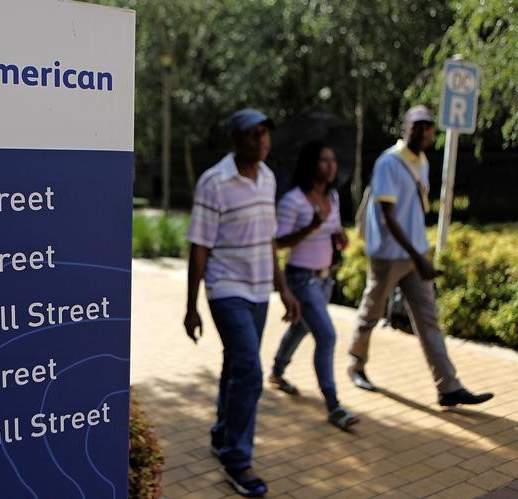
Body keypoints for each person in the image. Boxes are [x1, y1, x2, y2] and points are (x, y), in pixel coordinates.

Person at [184, 108, 300, 498]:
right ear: (235, 140)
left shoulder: (267, 178)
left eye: (266, 133)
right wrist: (192, 305)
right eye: (254, 134)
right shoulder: (214, 182)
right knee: (250, 371)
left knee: (235, 364)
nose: (262, 140)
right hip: (225, 287)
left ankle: (221, 434)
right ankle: (237, 459)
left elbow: (269, 239)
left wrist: (283, 288)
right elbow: (199, 246)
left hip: (258, 290)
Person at [347, 105, 494, 407]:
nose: (424, 132)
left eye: (428, 127)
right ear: (405, 128)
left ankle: (448, 387)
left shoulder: (422, 162)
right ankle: (356, 364)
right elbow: (388, 216)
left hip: (415, 254)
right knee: (372, 312)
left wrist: (420, 254)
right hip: (390, 256)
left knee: (429, 321)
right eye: (418, 126)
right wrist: (419, 255)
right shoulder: (389, 162)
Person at [268, 142, 360, 430]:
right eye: (324, 161)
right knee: (327, 335)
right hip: (300, 278)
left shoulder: (332, 196)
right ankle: (333, 405)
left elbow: (332, 231)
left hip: (324, 278)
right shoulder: (293, 201)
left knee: (302, 326)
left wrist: (339, 237)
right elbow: (279, 243)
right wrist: (310, 227)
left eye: (333, 160)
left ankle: (276, 371)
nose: (331, 166)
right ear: (311, 165)